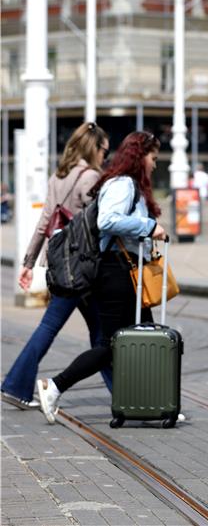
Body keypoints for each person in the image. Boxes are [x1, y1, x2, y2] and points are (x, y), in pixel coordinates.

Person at [36, 131, 168, 423]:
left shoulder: (128, 184)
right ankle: (55, 385)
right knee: (110, 345)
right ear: (139, 155)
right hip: (115, 272)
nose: (154, 164)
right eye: (153, 158)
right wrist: (149, 226)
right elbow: (107, 220)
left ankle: (156, 402)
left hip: (126, 271)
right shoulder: (122, 184)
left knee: (146, 335)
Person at [1, 123, 112, 410]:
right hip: (83, 267)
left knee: (100, 334)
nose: (105, 156)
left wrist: (28, 262)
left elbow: (45, 221)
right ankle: (14, 384)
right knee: (64, 329)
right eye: (103, 150)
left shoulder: (58, 176)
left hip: (61, 263)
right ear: (93, 147)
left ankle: (122, 395)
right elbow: (100, 224)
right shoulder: (90, 178)